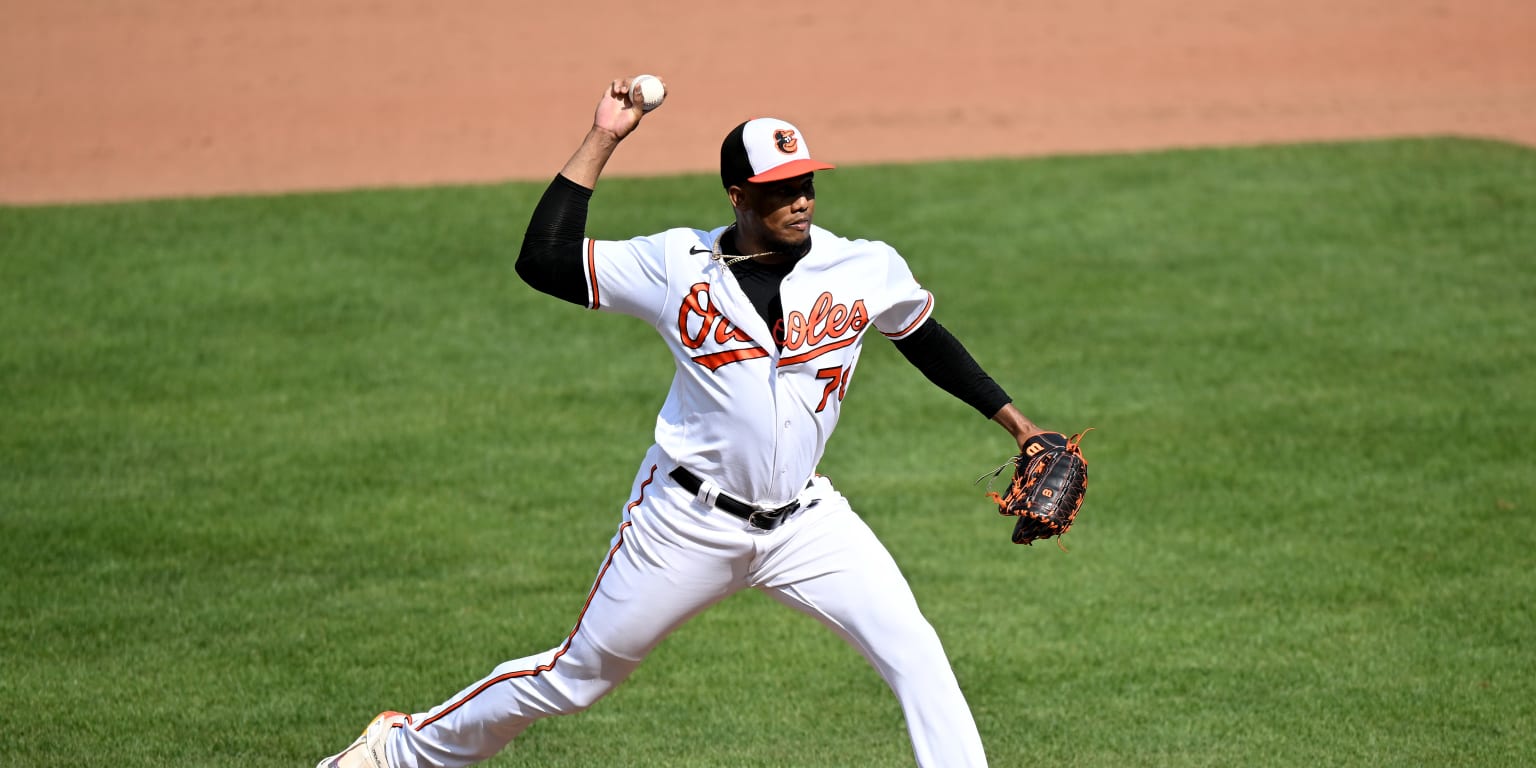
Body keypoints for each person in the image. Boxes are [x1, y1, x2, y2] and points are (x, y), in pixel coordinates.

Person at [318, 76, 1056, 768]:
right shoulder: (678, 264)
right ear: (739, 194)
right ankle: (400, 751)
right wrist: (603, 137)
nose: (800, 201)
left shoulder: (861, 266)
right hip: (684, 520)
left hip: (806, 523)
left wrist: (1019, 427)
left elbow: (922, 335)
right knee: (577, 677)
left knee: (915, 652)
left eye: (806, 184)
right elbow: (543, 261)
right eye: (778, 190)